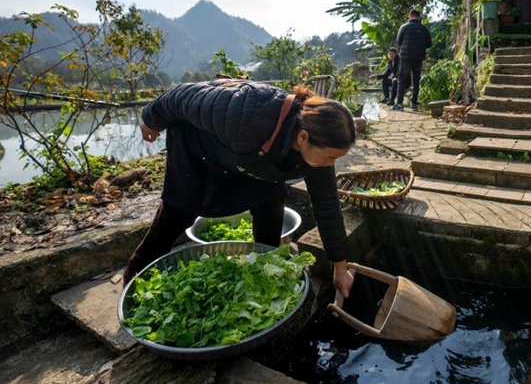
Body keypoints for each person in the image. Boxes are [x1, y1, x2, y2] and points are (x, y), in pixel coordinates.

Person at [123, 79, 356, 298]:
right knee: (176, 214)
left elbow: (327, 207)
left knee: (271, 202)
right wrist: (151, 121)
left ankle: (266, 269)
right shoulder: (244, 110)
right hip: (197, 151)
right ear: (303, 137)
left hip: (246, 158)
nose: (330, 163)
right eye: (329, 157)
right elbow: (181, 96)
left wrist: (340, 266)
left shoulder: (320, 159)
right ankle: (133, 284)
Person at [393, 9, 432, 112]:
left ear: (409, 16)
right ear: (419, 17)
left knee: (401, 81)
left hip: (405, 58)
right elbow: (429, 44)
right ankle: (414, 104)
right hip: (418, 59)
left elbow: (399, 42)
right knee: (416, 82)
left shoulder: (403, 27)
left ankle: (399, 104)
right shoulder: (424, 28)